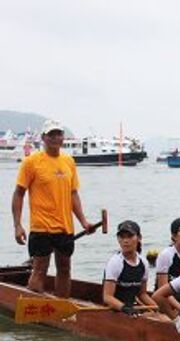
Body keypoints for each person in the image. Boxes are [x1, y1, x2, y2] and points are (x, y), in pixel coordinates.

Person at [12, 119, 94, 297]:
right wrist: (17, 225)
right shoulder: (31, 162)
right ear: (43, 138)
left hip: (65, 227)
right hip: (41, 227)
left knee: (65, 269)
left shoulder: (69, 161)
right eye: (51, 134)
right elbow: (19, 193)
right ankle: (33, 310)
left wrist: (83, 221)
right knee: (40, 269)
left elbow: (73, 194)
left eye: (59, 134)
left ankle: (62, 309)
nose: (56, 138)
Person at [102, 220, 156, 316]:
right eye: (122, 237)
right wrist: (124, 308)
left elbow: (142, 294)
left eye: (130, 236)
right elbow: (107, 297)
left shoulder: (143, 262)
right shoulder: (115, 262)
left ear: (139, 238)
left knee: (163, 317)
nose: (125, 241)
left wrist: (157, 307)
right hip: (115, 310)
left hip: (132, 309)